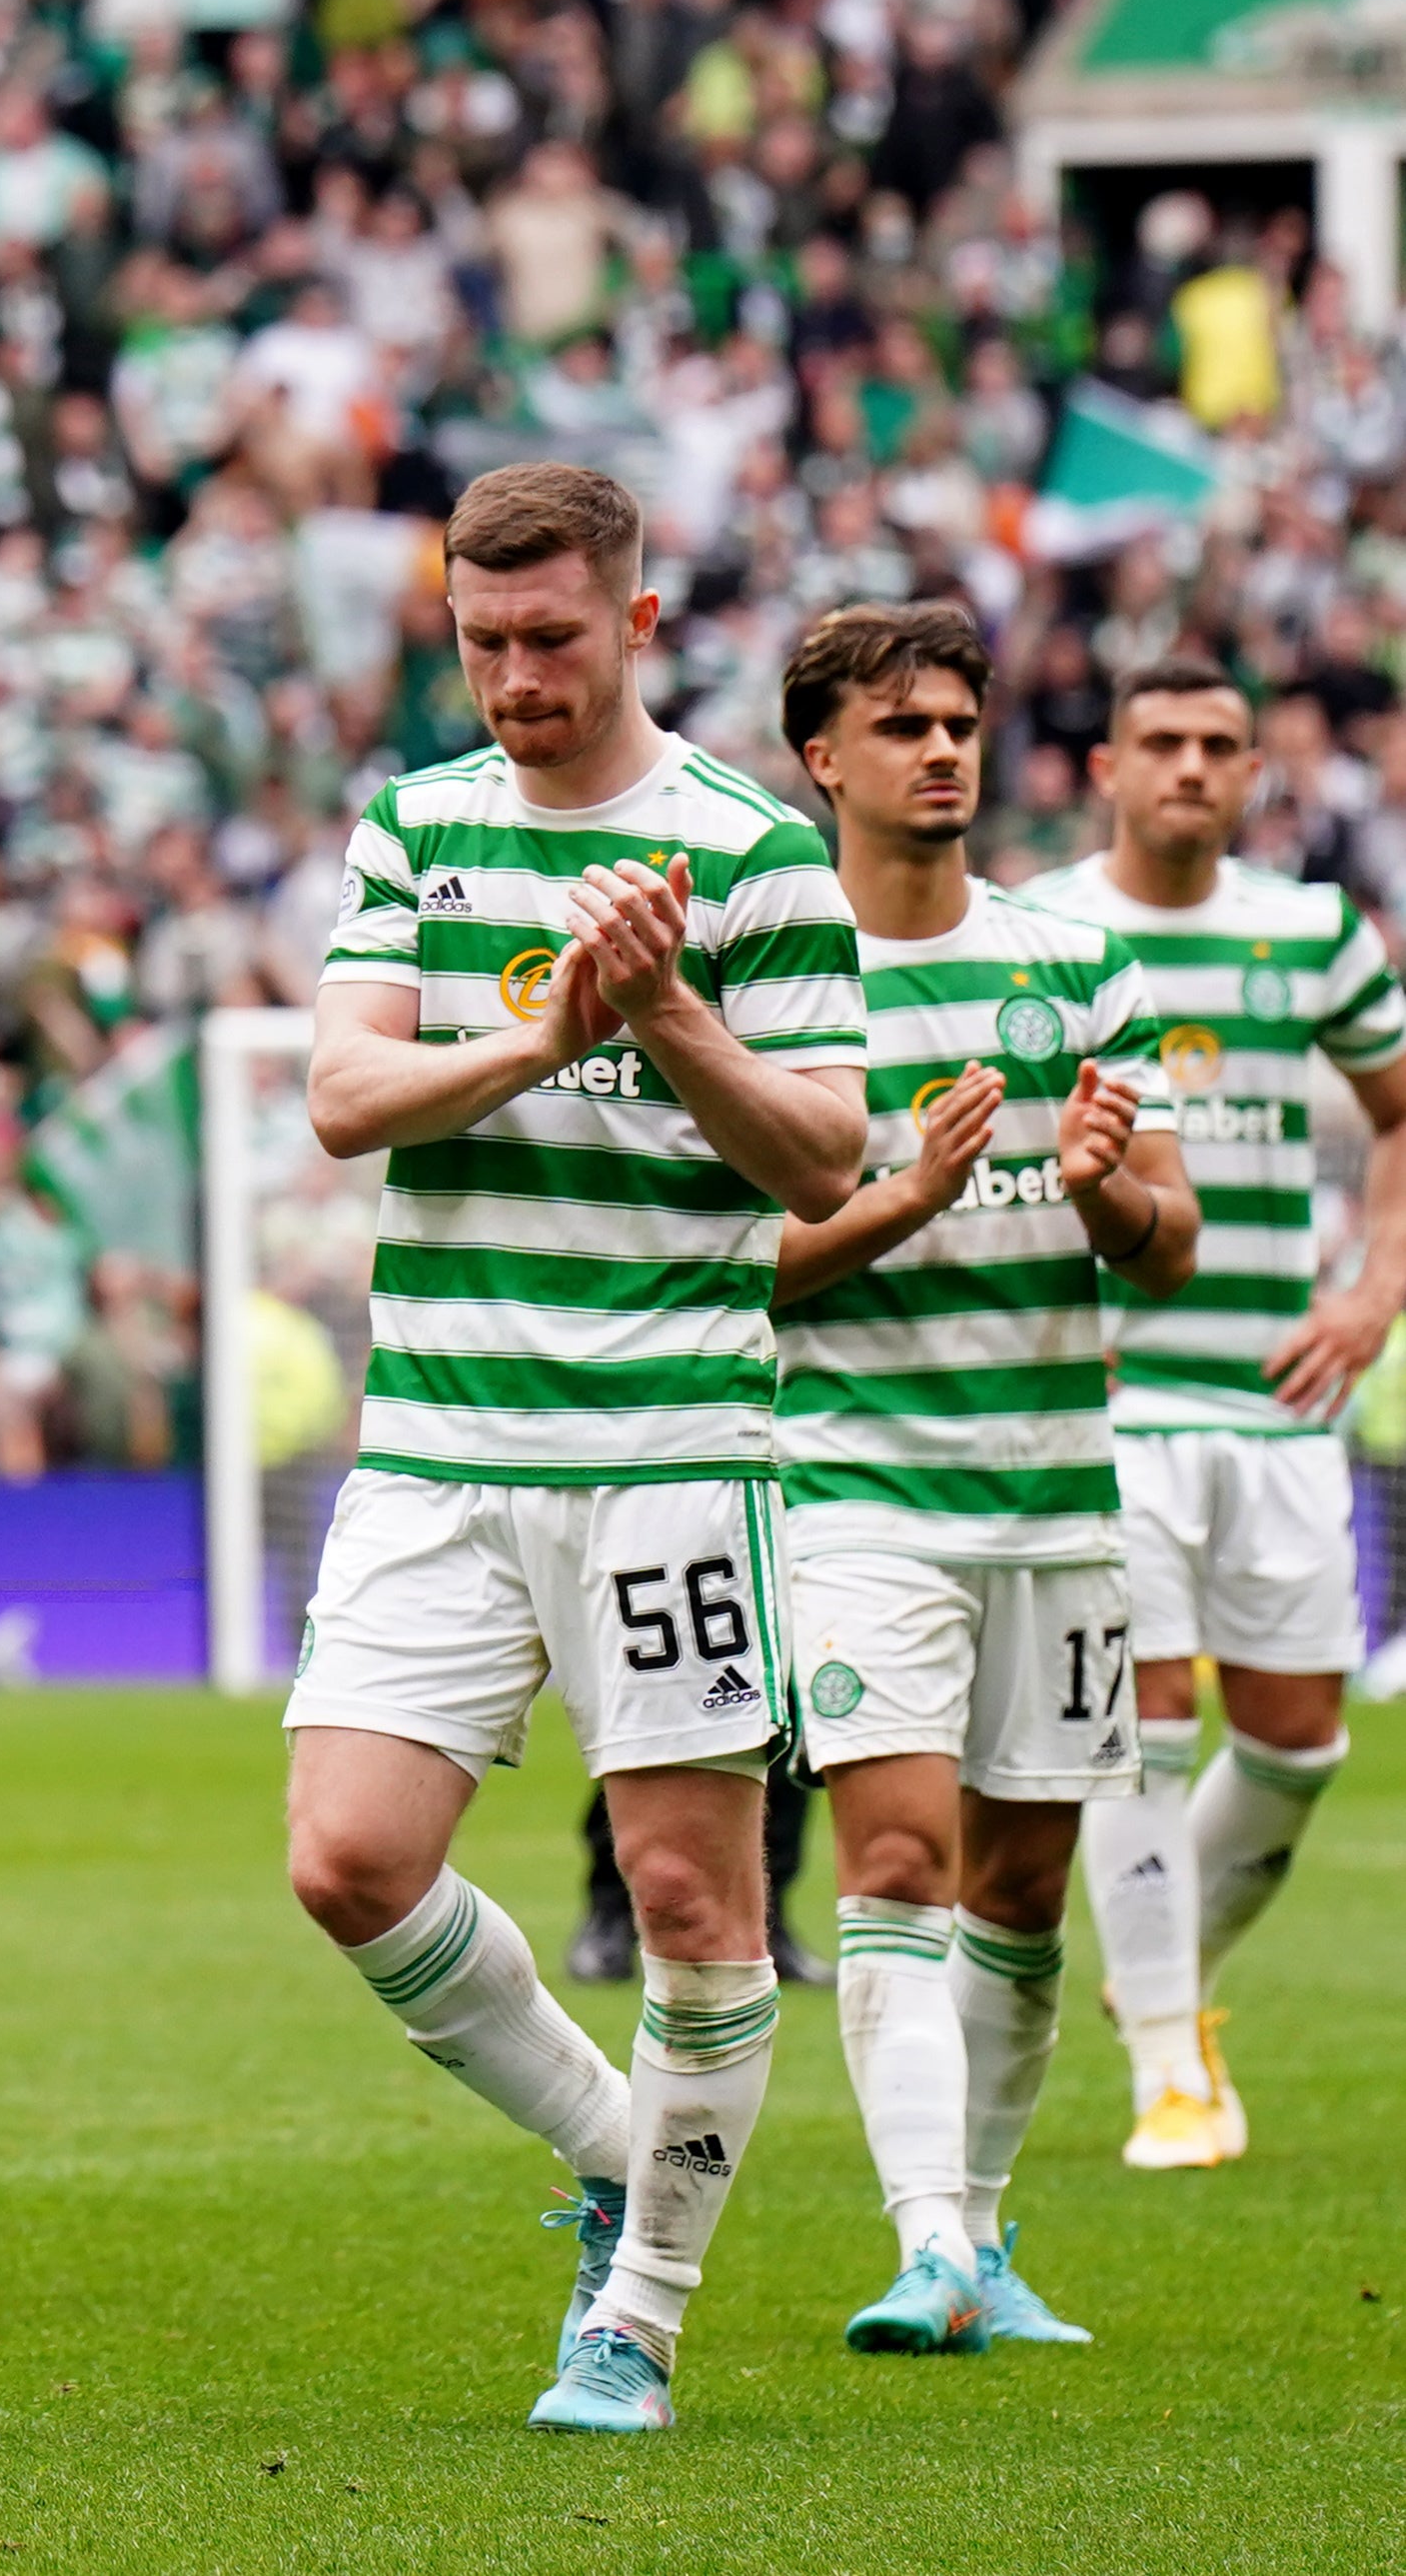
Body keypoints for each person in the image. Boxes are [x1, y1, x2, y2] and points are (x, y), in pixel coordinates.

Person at [275, 463, 867, 2438]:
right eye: (477, 638)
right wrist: (541, 1037)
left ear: (630, 620)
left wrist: (666, 1013)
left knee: (692, 1901)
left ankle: (636, 2315)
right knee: (345, 1860)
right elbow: (344, 1094)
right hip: (435, 1440)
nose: (510, 677)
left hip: (668, 1448)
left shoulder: (751, 848)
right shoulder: (419, 827)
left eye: (545, 637)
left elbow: (818, 1156)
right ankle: (624, 2143)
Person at [765, 605, 1191, 2354]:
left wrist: (1099, 1191)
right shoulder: (775, 983)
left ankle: (988, 2238)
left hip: (1051, 1504)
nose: (939, 750)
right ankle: (924, 2240)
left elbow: (1163, 1250)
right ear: (821, 758)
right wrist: (897, 1203)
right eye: (899, 727)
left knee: (1018, 1893)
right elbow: (731, 1269)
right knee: (892, 1860)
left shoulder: (1073, 967)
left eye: (957, 722)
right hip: (858, 1497)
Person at [1025, 660, 1406, 2165]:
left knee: (1299, 1744)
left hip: (1277, 1396)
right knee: (1148, 1720)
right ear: (1108, 765)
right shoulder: (1043, 930)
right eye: (1161, 743)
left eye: (1219, 747)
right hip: (1111, 1401)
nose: (1189, 767)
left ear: (1254, 774)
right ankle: (1170, 2074)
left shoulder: (1308, 931)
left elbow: (1399, 1113)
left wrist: (1373, 1292)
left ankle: (1151, 1974)